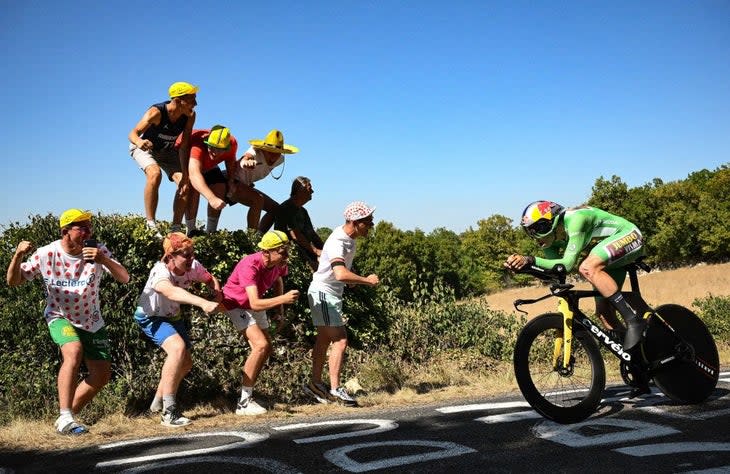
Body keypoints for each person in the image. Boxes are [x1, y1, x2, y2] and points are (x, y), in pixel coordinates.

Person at [5, 209, 130, 435]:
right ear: (65, 231)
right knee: (73, 351)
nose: (87, 232)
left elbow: (124, 277)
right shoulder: (47, 254)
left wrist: (103, 259)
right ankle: (65, 416)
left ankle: (66, 418)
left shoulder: (98, 250)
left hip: (91, 319)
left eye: (89, 227)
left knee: (101, 376)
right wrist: (17, 256)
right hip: (59, 315)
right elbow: (13, 282)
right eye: (81, 227)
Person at [503, 201, 646, 351]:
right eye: (530, 232)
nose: (536, 236)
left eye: (538, 229)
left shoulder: (576, 219)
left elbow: (568, 264)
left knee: (586, 267)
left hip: (629, 235)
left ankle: (634, 320)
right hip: (608, 256)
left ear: (554, 221)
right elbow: (558, 270)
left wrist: (530, 259)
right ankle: (639, 356)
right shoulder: (549, 241)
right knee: (604, 314)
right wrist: (525, 268)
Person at [134, 232, 222, 427]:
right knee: (177, 349)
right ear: (170, 256)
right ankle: (169, 412)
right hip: (151, 317)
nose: (191, 258)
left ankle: (156, 406)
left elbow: (210, 279)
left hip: (172, 316)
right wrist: (202, 303)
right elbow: (170, 291)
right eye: (186, 255)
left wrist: (216, 294)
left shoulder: (193, 266)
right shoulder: (160, 271)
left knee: (185, 363)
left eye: (192, 253)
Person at [303, 201, 380, 407]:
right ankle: (336, 389)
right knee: (340, 340)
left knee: (323, 340)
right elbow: (339, 273)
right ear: (355, 222)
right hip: (324, 294)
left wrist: (352, 282)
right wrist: (366, 280)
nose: (372, 225)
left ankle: (315, 384)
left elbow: (340, 273)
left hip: (328, 293)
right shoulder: (339, 240)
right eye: (368, 221)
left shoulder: (350, 240)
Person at [221, 230, 300, 415]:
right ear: (267, 252)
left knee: (267, 348)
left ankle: (248, 393)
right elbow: (255, 303)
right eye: (282, 251)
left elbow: (278, 280)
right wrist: (282, 300)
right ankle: (244, 403)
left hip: (255, 305)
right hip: (236, 304)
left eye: (287, 250)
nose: (286, 255)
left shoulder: (279, 263)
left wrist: (278, 312)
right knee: (260, 346)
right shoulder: (250, 265)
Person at [128, 81, 198, 237]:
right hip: (143, 147)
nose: (196, 103)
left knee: (186, 183)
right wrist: (140, 142)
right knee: (155, 173)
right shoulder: (156, 112)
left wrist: (185, 174)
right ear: (179, 100)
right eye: (192, 99)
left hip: (167, 152)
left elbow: (184, 146)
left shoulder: (189, 116)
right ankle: (151, 225)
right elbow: (133, 133)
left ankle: (175, 229)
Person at [228, 129, 298, 232]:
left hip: (244, 185)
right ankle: (251, 238)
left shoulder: (280, 160)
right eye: (270, 152)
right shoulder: (254, 151)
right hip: (231, 180)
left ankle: (260, 237)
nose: (274, 156)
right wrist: (246, 162)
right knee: (258, 199)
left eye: (277, 153)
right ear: (264, 149)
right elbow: (245, 158)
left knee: (276, 209)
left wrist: (248, 184)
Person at [181, 125, 240, 235]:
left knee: (220, 186)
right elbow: (194, 174)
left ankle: (211, 232)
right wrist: (211, 198)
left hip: (207, 164)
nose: (215, 152)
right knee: (193, 187)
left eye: (220, 150)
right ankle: (191, 230)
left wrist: (231, 181)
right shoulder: (198, 142)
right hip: (184, 156)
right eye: (212, 147)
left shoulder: (232, 143)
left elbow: (230, 161)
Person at [274, 176, 324, 271]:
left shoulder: (303, 211)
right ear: (300, 190)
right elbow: (295, 236)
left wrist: (327, 250)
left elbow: (312, 234)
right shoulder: (286, 208)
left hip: (306, 251)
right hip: (292, 253)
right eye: (310, 188)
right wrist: (315, 252)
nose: (312, 192)